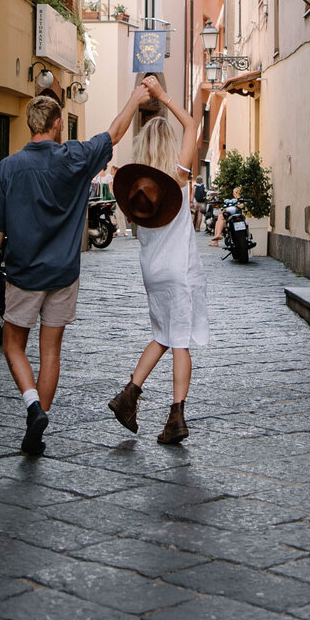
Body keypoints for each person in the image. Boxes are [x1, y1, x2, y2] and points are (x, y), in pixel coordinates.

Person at [0, 82, 152, 455]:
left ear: (30, 125)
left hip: (24, 273)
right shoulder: (74, 158)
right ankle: (38, 422)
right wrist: (135, 99)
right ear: (57, 124)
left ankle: (31, 406)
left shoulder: (9, 168)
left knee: (12, 344)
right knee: (51, 352)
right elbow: (114, 133)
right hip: (63, 273)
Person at [108, 79, 209, 445]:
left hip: (152, 272)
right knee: (179, 341)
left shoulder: (138, 190)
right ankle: (176, 417)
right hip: (180, 271)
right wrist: (165, 98)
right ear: (168, 146)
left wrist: (138, 100)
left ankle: (128, 396)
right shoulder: (177, 181)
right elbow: (193, 126)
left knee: (162, 336)